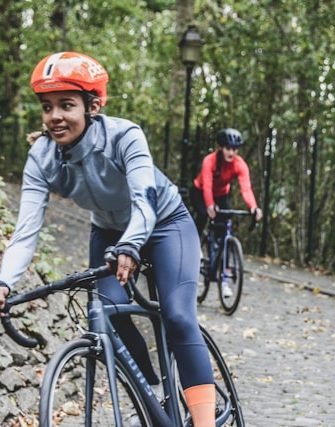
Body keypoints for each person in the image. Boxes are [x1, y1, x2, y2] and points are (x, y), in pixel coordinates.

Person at [0, 51, 215, 427]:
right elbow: (25, 232)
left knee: (178, 316)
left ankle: (204, 422)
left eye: (67, 105)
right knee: (108, 314)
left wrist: (132, 245)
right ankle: (150, 396)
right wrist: (3, 282)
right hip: (109, 231)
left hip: (164, 223)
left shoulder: (124, 135)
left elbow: (145, 202)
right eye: (47, 107)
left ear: (92, 106)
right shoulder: (42, 156)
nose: (55, 117)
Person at [190, 128, 263, 296]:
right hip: (200, 191)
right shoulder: (210, 161)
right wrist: (209, 205)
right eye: (228, 148)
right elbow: (207, 185)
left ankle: (224, 279)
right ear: (221, 147)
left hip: (222, 194)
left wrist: (253, 206)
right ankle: (195, 246)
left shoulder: (239, 164)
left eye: (235, 149)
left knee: (225, 233)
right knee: (202, 215)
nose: (232, 152)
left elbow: (246, 189)